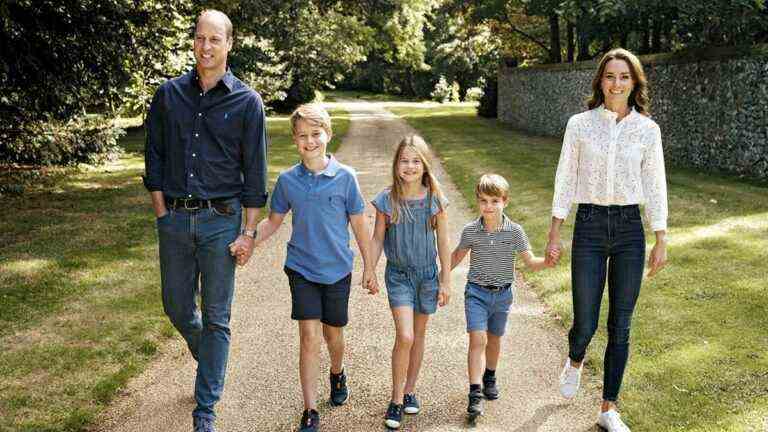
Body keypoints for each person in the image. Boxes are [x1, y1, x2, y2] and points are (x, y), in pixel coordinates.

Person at [142, 9, 267, 432]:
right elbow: (154, 156)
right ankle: (209, 357)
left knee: (217, 316)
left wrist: (248, 233)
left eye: (215, 39)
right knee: (176, 306)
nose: (206, 47)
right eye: (200, 38)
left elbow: (256, 174)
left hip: (222, 222)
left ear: (230, 44)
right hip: (175, 220)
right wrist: (161, 212)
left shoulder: (247, 102)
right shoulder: (168, 95)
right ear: (193, 41)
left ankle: (205, 409)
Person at [546, 48, 668, 432]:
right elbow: (566, 177)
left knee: (622, 323)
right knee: (585, 320)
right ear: (600, 81)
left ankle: (608, 408)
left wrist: (660, 236)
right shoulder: (579, 124)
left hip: (630, 228)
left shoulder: (647, 130)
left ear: (635, 83)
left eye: (625, 77)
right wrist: (555, 229)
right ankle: (577, 356)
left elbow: (655, 184)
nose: (617, 83)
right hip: (591, 225)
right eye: (610, 76)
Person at [243, 104, 377, 432]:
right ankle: (309, 408)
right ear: (295, 141)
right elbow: (273, 222)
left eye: (316, 134)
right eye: (302, 136)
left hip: (337, 270)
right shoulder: (288, 181)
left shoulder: (345, 178)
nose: (310, 141)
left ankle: (337, 371)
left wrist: (370, 267)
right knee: (308, 336)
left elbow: (360, 225)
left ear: (328, 135)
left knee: (333, 334)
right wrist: (248, 240)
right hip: (301, 268)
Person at [451, 174, 554, 419]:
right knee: (478, 340)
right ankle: (474, 394)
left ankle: (490, 376)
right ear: (478, 202)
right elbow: (456, 256)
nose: (489, 206)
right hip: (476, 293)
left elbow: (530, 261)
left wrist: (546, 262)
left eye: (494, 201)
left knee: (494, 340)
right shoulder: (471, 231)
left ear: (504, 202)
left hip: (503, 296)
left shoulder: (515, 231)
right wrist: (441, 277)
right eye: (484, 201)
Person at [368, 135, 451, 430]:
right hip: (399, 275)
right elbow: (377, 237)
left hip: (427, 276)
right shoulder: (387, 200)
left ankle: (410, 389)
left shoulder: (434, 200)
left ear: (425, 166)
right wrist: (370, 268)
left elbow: (443, 239)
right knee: (404, 336)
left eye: (416, 161)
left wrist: (445, 279)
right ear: (396, 164)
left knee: (418, 335)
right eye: (404, 160)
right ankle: (395, 399)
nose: (410, 166)